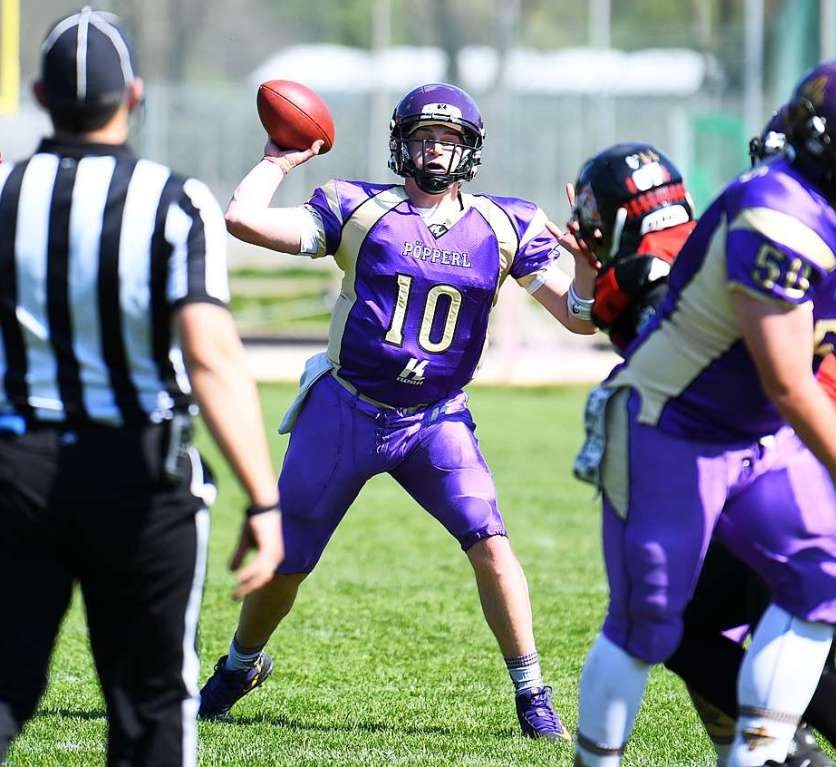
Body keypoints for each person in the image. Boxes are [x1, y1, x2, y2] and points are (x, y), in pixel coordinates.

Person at [197, 82, 597, 741]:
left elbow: (579, 320)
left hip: (435, 419)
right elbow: (243, 220)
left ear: (470, 149)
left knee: (491, 545)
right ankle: (241, 664)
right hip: (347, 407)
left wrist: (584, 272)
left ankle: (532, 692)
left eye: (448, 139)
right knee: (289, 561)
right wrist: (277, 159)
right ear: (400, 143)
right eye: (423, 137)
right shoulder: (356, 208)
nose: (435, 150)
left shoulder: (505, 223)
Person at [569, 57, 836, 767]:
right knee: (646, 621)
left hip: (759, 435)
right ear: (823, 142)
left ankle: (760, 755)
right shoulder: (775, 212)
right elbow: (789, 376)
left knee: (818, 583)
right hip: (672, 427)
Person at [0, 8, 284, 766]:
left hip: (16, 469)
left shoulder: (4, 192)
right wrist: (263, 497)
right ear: (135, 95)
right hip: (140, 473)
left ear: (38, 93)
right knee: (152, 705)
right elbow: (212, 357)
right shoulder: (173, 199)